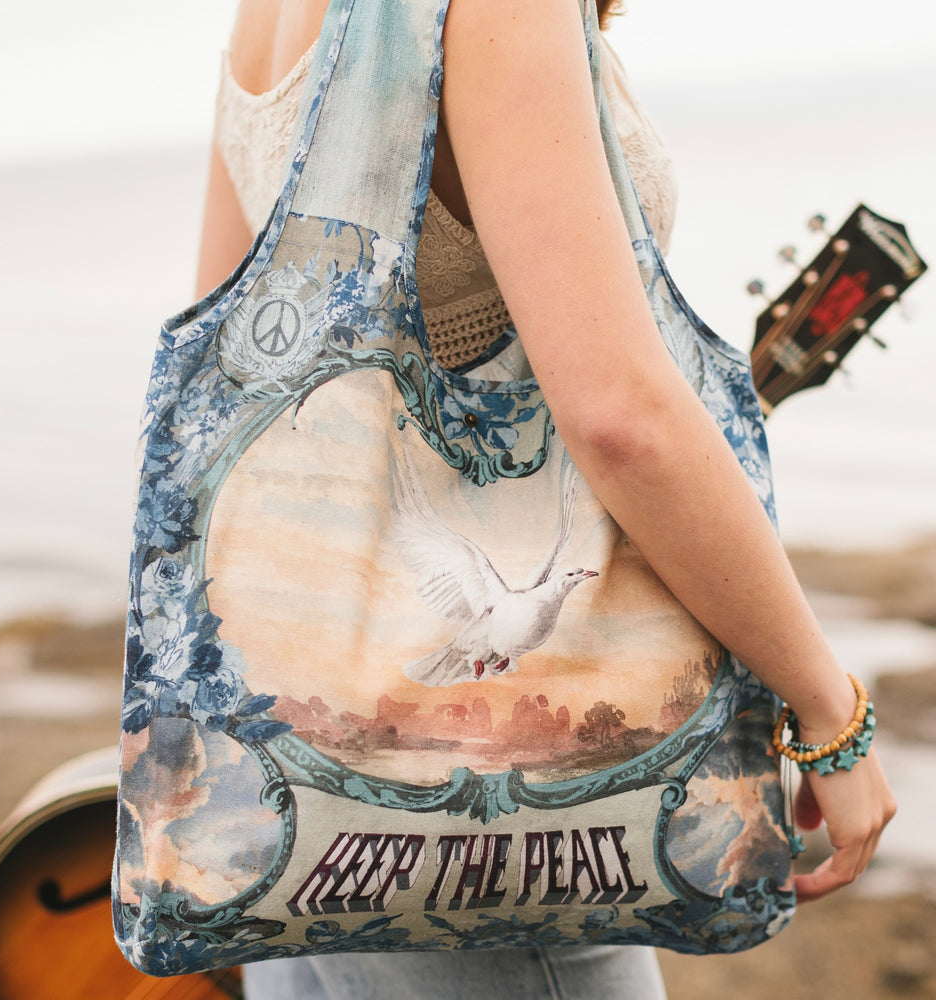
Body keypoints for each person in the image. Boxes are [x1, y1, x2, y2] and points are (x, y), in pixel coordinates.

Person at [192, 1, 896, 997]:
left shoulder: (264, 11)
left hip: (309, 794)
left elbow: (239, 407)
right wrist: (830, 708)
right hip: (494, 834)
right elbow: (618, 418)